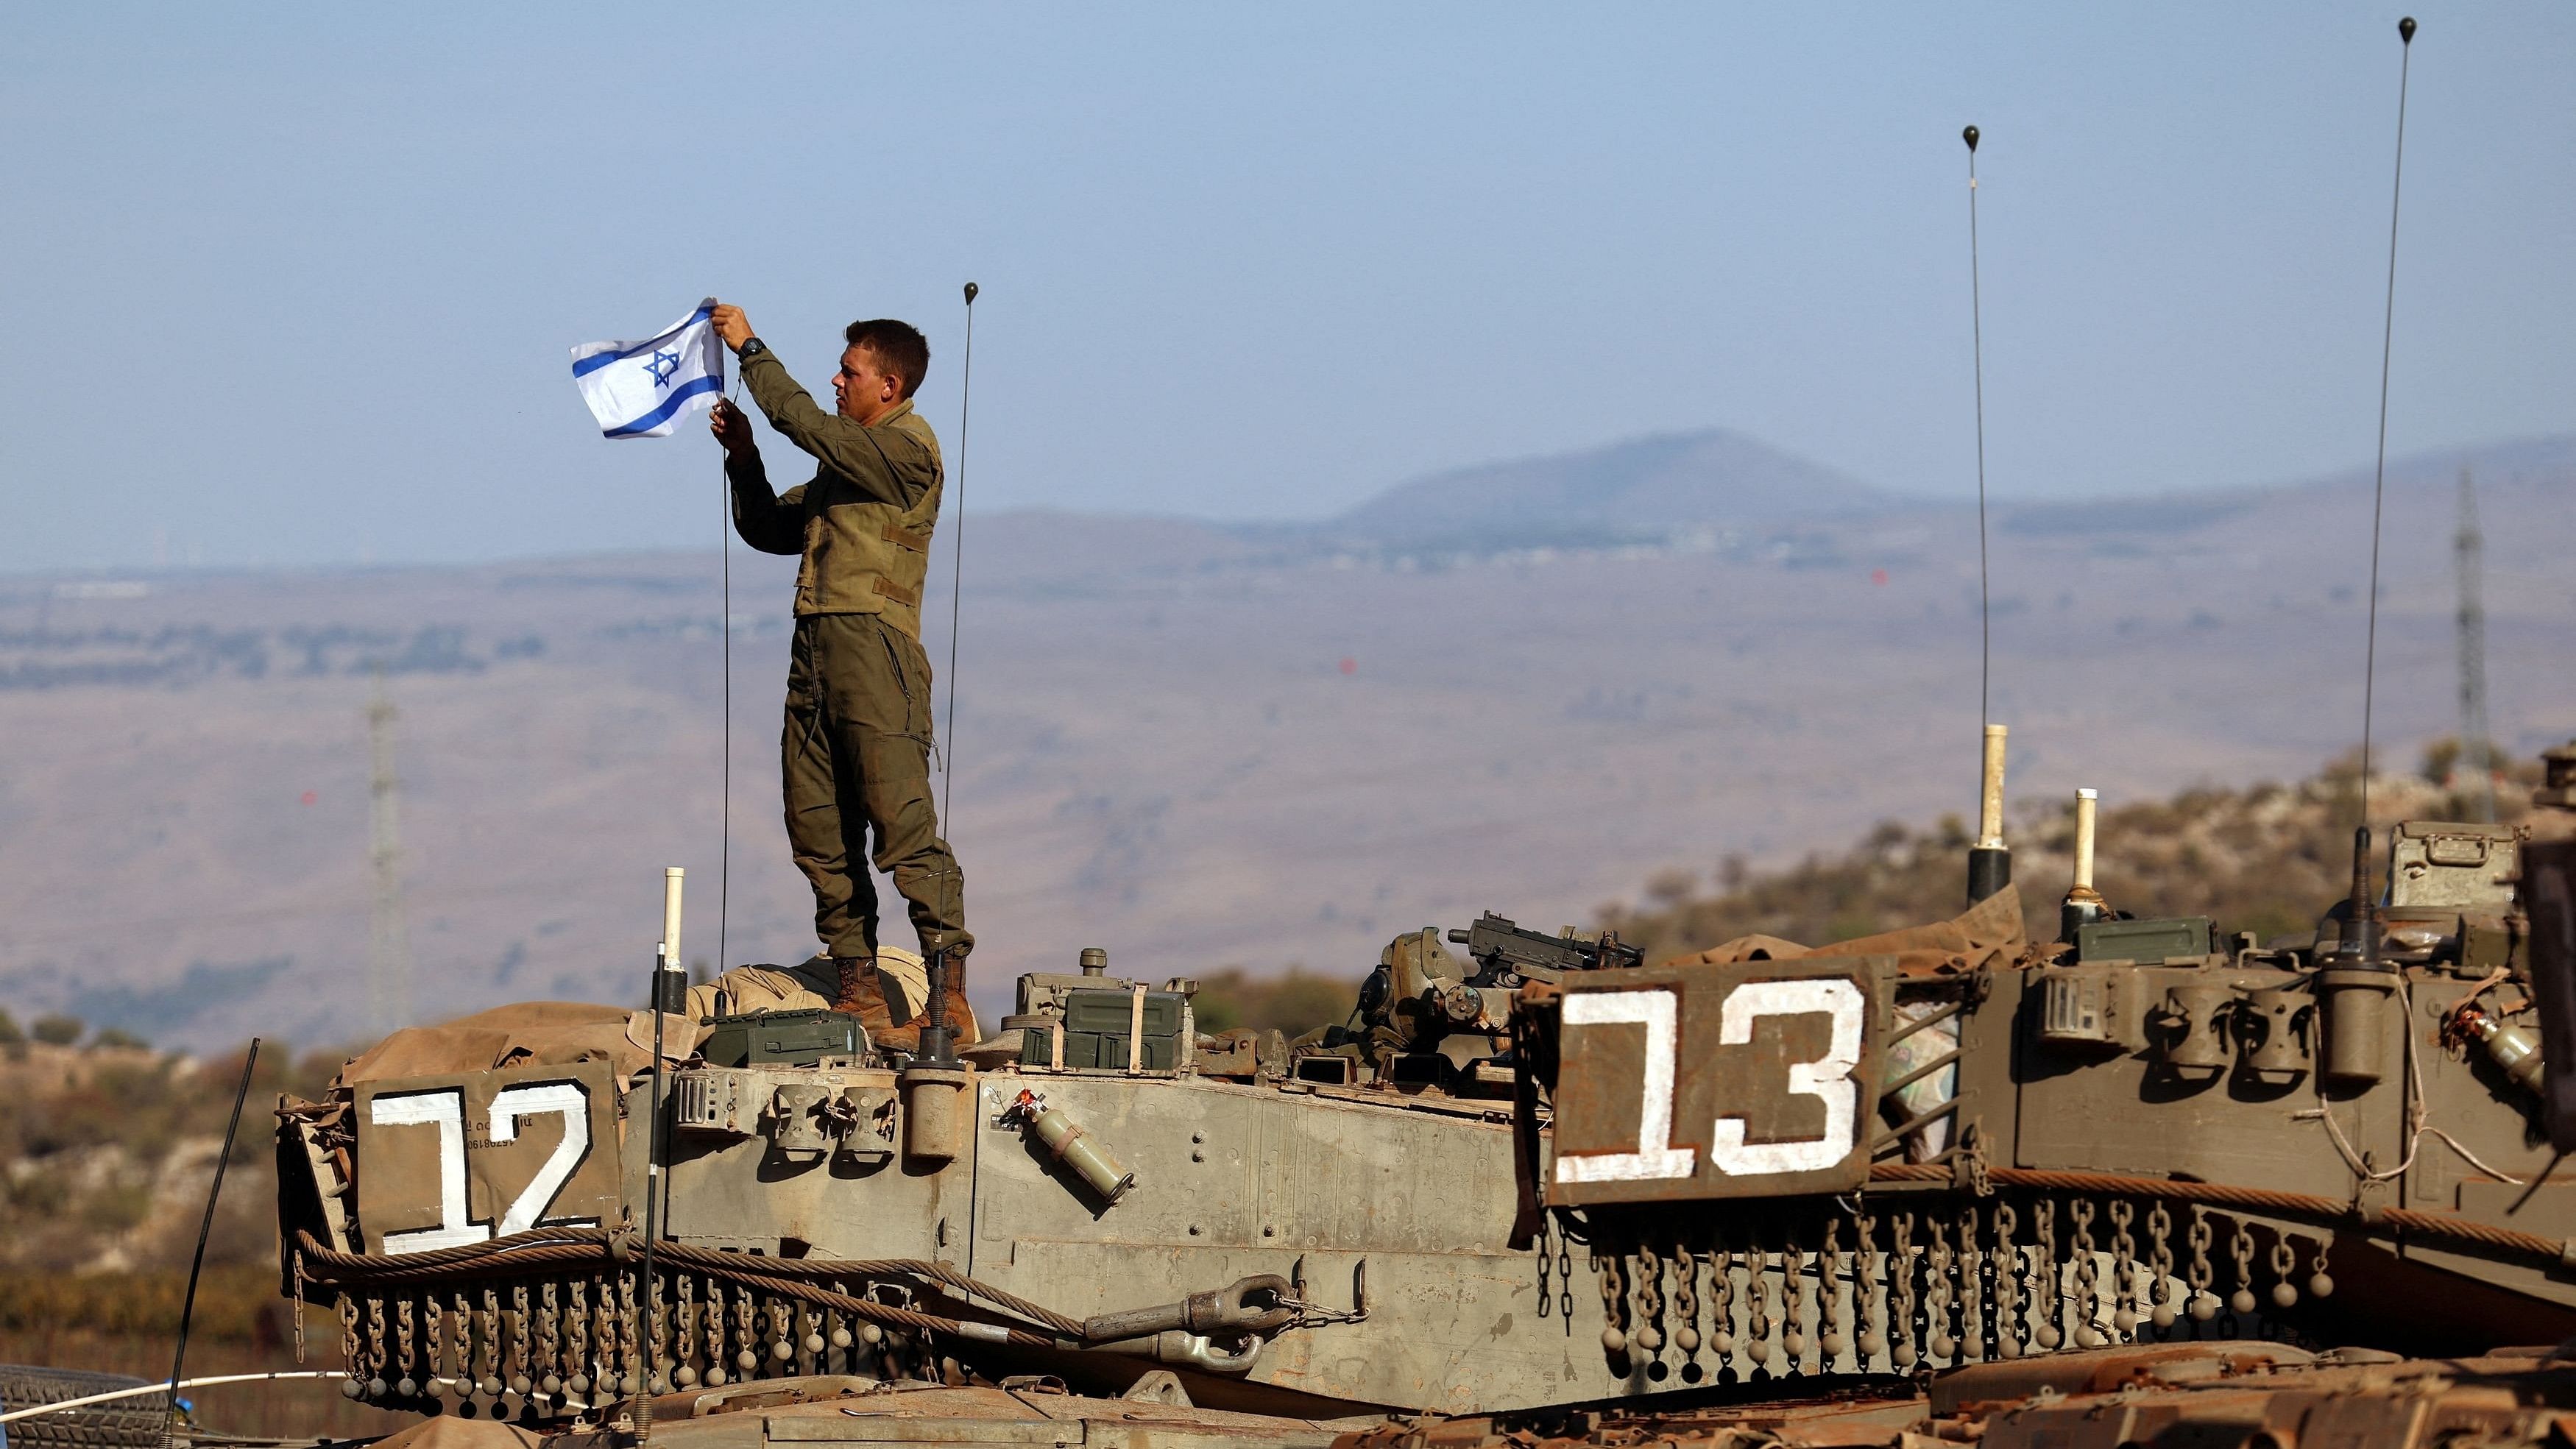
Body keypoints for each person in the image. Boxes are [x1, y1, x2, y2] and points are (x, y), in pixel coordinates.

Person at [707, 302, 971, 1052]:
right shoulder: (842, 467)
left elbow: (809, 425)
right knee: (818, 827)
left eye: (849, 371)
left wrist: (751, 349)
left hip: (874, 654)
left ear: (887, 385)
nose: (836, 379)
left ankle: (945, 993)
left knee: (902, 828)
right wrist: (744, 458)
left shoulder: (904, 451)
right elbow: (768, 529)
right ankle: (857, 992)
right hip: (816, 653)